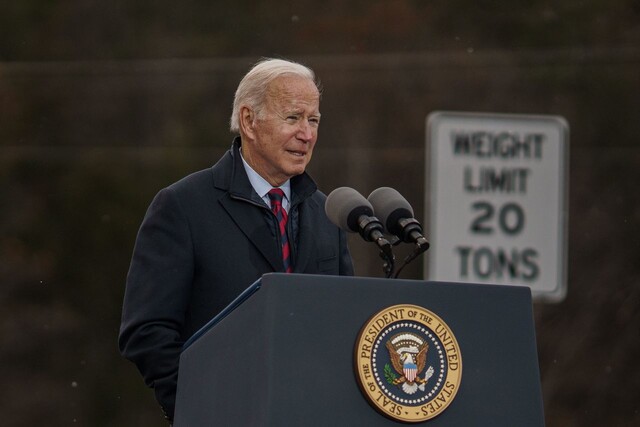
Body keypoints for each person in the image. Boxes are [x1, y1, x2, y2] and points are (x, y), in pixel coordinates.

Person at [118, 58, 354, 422]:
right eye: (293, 118)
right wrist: (203, 405)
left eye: (314, 120)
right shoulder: (183, 206)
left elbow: (346, 324)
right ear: (249, 121)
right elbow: (147, 332)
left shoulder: (328, 214)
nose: (306, 134)